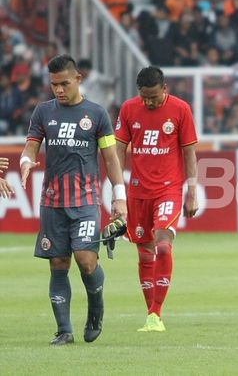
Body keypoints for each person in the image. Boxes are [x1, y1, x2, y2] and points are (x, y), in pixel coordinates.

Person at [20, 54, 128, 345]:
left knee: (86, 261)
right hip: (52, 201)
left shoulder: (96, 114)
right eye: (54, 84)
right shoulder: (43, 112)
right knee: (58, 262)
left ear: (78, 79)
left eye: (64, 83)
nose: (58, 89)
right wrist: (26, 161)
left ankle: (96, 308)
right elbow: (31, 146)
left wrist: (120, 197)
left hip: (85, 201)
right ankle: (64, 330)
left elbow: (110, 158)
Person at [115, 66, 198, 332]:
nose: (149, 102)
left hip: (168, 189)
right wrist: (118, 191)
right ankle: (152, 315)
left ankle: (155, 312)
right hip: (137, 191)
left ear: (165, 89)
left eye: (153, 96)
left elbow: (189, 153)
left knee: (163, 247)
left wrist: (192, 192)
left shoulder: (181, 109)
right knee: (144, 252)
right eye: (144, 97)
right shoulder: (128, 109)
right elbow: (117, 150)